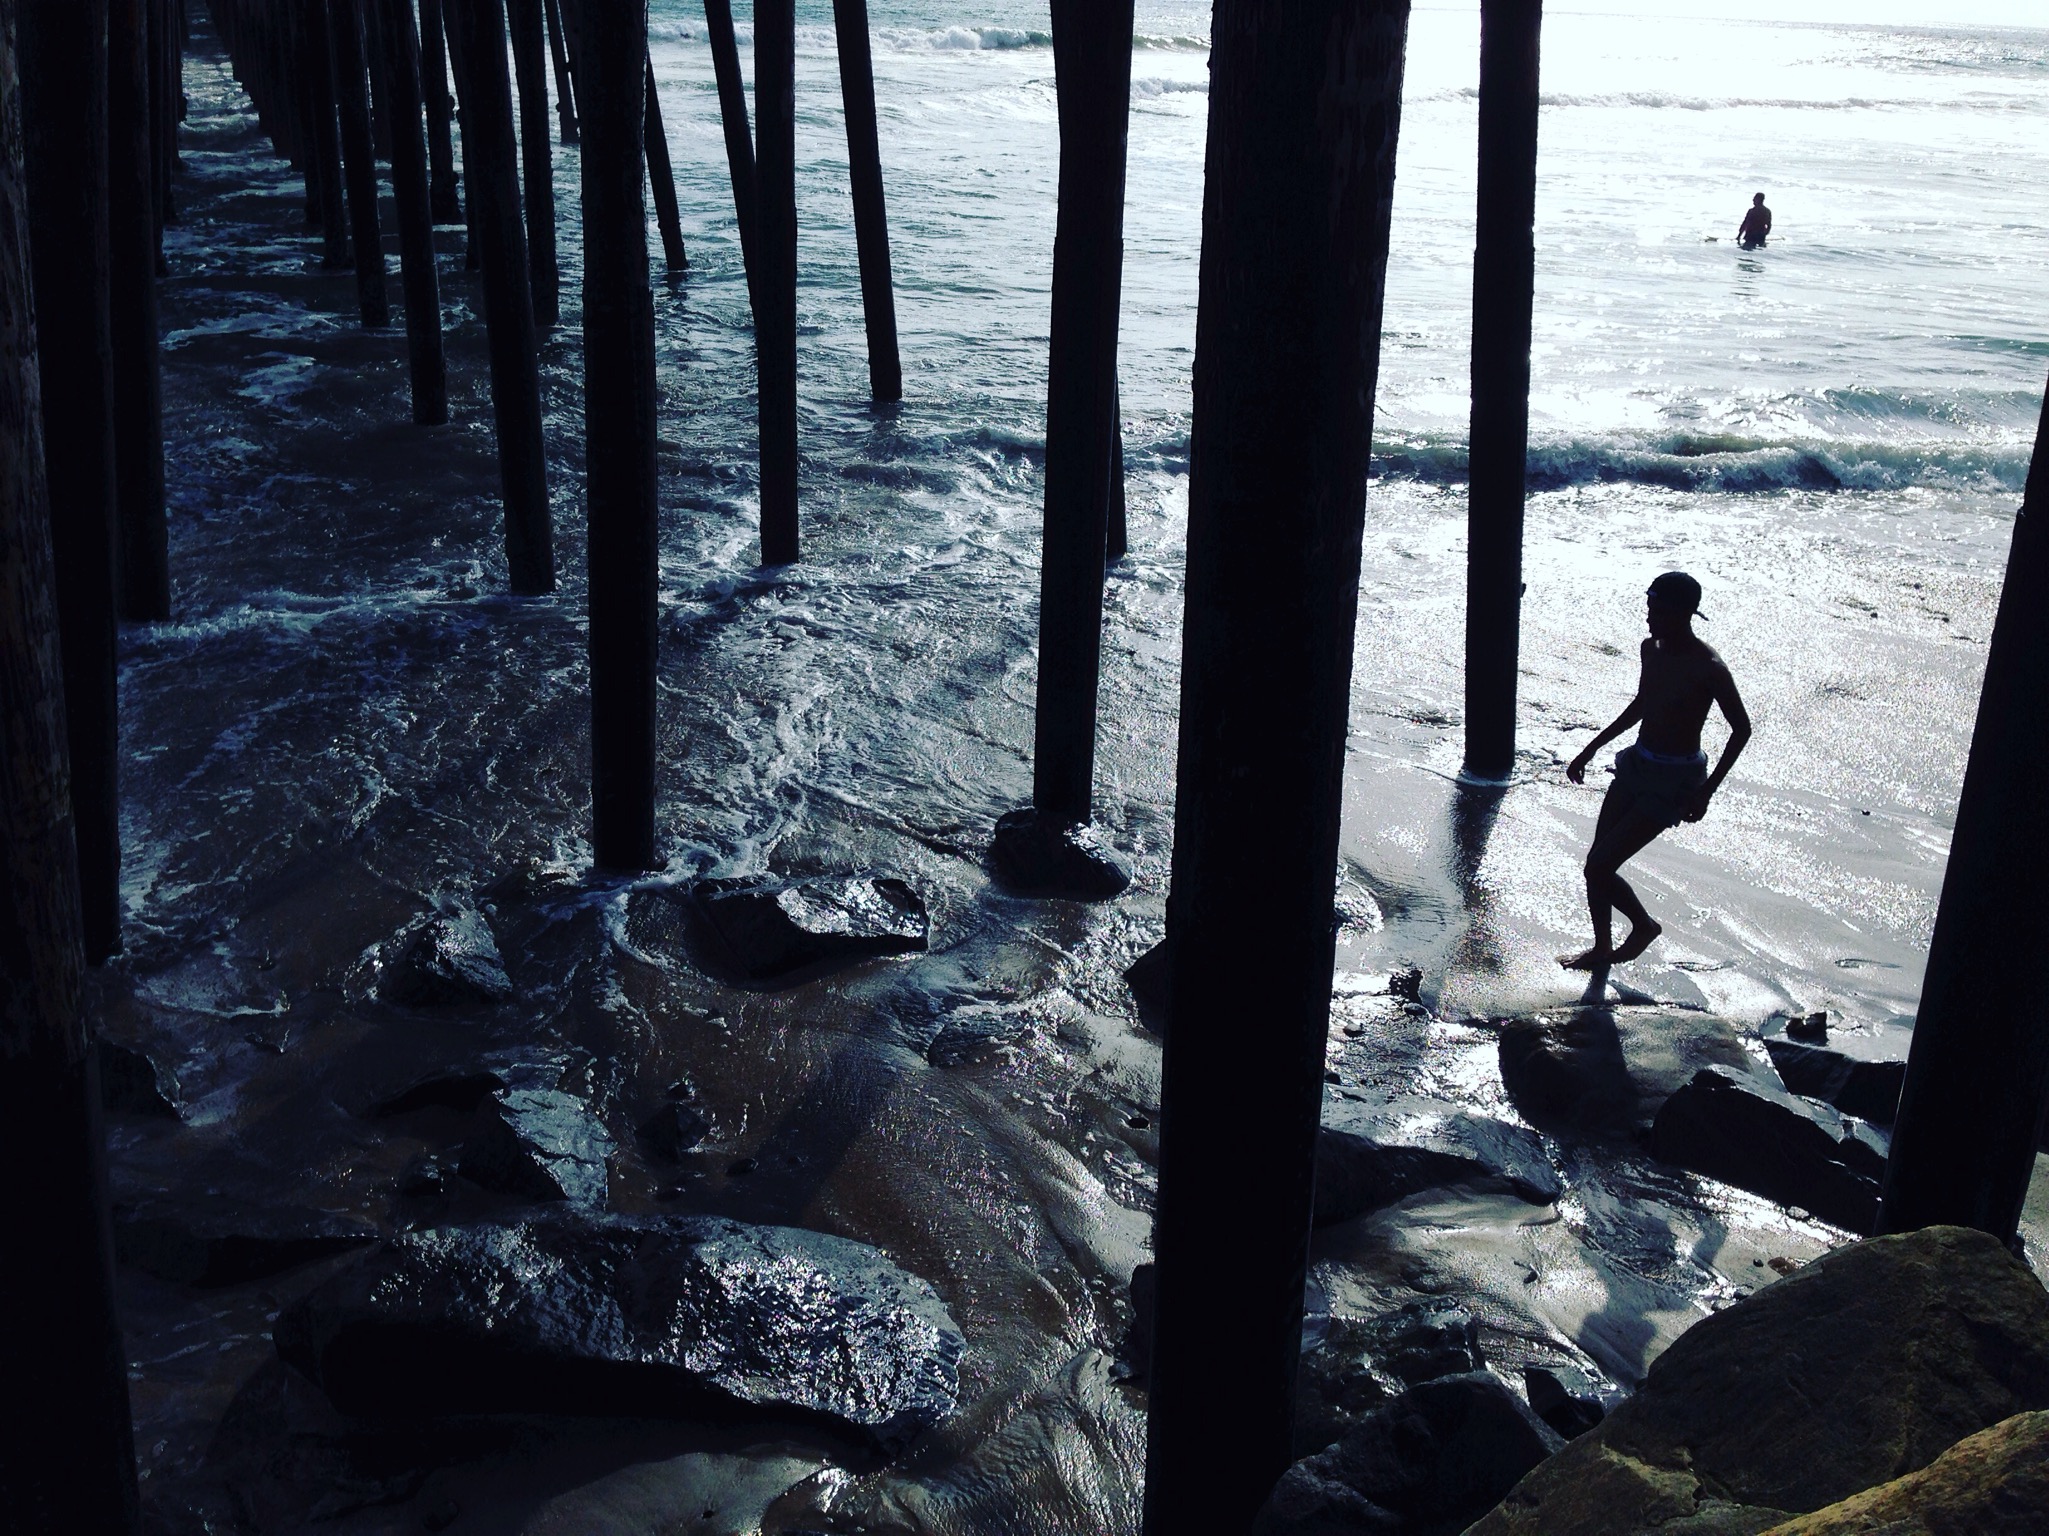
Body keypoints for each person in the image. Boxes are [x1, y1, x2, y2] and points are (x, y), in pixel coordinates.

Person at [1561, 572, 1751, 970]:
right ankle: (1601, 948)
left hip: (1674, 782)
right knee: (1597, 863)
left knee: (1599, 865)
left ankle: (1643, 926)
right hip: (1637, 765)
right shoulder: (1651, 649)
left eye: (1660, 612)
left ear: (1686, 614)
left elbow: (1741, 730)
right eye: (1649, 610)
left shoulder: (1709, 667)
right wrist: (1591, 748)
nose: (1650, 619)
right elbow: (1642, 705)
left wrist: (1707, 791)